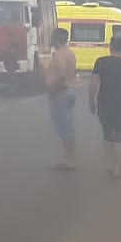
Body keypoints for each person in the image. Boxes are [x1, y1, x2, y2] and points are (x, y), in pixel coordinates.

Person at [88, 35, 121, 179]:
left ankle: (110, 164)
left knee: (107, 134)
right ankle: (118, 167)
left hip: (104, 103)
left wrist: (91, 101)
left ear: (110, 47)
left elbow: (93, 83)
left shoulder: (101, 62)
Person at [43, 27, 78, 170]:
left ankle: (69, 160)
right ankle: (68, 158)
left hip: (60, 93)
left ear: (56, 39)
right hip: (69, 91)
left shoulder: (59, 55)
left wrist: (53, 90)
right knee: (67, 126)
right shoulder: (70, 53)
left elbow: (62, 75)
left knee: (64, 128)